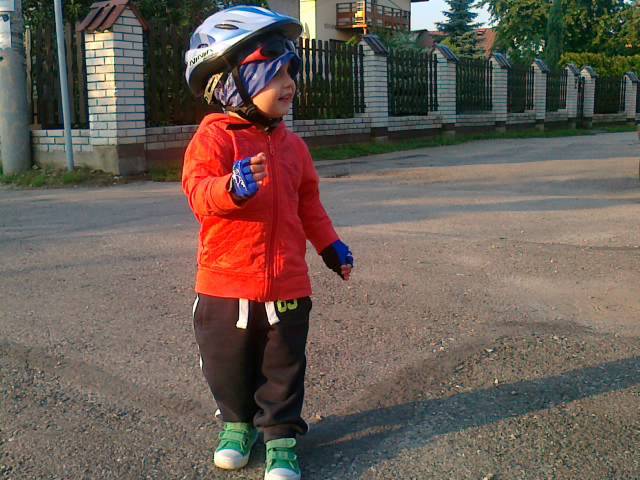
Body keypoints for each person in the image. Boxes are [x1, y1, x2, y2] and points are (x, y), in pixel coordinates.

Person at [181, 6, 354, 480]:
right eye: (274, 74)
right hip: (225, 284)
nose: (289, 84)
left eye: (290, 73)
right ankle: (237, 424)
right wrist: (230, 188)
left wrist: (330, 246)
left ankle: (280, 439)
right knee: (226, 363)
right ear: (230, 83)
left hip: (287, 282)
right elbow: (199, 194)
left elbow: (309, 205)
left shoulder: (294, 147)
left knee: (284, 366)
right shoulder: (214, 139)